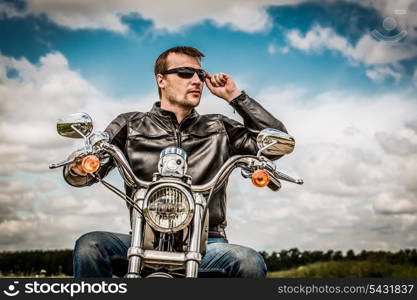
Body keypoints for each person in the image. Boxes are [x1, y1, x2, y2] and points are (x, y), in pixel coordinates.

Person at [63, 46, 287, 278]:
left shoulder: (220, 127)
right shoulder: (130, 124)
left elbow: (274, 143)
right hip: (144, 237)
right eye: (185, 73)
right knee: (90, 246)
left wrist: (235, 96)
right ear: (161, 80)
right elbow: (83, 173)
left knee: (248, 261)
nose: (197, 81)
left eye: (200, 75)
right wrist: (79, 165)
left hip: (208, 242)